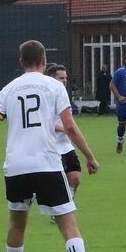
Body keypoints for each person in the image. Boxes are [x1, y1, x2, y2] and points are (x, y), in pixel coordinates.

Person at [0, 40, 101, 252]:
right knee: (68, 224)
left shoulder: (9, 90)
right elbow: (70, 126)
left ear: (21, 62)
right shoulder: (55, 86)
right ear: (44, 62)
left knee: (17, 224)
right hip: (47, 164)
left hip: (17, 167)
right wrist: (89, 156)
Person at [47, 65, 83, 225]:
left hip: (66, 145)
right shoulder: (46, 96)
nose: (65, 81)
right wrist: (64, 128)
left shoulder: (63, 95)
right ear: (52, 79)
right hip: (50, 146)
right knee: (56, 182)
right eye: (61, 78)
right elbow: (43, 123)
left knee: (75, 178)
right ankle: (59, 209)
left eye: (66, 78)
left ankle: (64, 204)